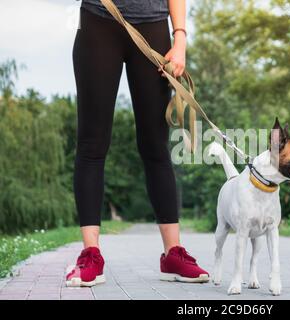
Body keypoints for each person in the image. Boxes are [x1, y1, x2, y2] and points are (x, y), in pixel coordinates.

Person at [66, 0, 209, 287]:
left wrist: (179, 36)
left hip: (154, 26)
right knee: (92, 144)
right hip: (98, 20)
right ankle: (91, 254)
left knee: (156, 145)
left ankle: (173, 254)